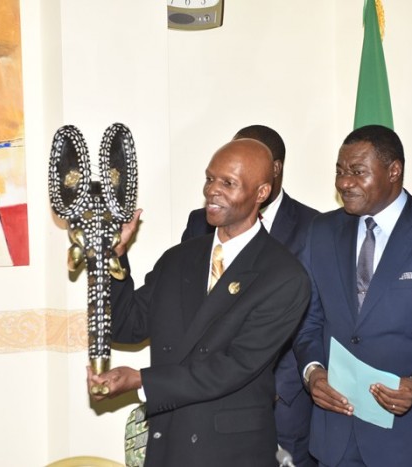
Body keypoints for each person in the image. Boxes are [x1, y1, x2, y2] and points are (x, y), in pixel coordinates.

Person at [87, 138, 311, 467]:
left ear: (261, 193)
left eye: (228, 183)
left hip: (229, 450)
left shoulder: (284, 275)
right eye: (209, 179)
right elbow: (127, 326)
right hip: (168, 439)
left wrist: (141, 380)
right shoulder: (179, 258)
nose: (211, 191)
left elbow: (233, 368)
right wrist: (114, 259)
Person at [294, 124, 412, 466]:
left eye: (357, 172)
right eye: (339, 171)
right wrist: (312, 372)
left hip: (410, 441)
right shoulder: (320, 232)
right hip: (336, 438)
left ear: (394, 171)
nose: (343, 182)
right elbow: (307, 320)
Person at [181, 124, 319, 466]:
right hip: (209, 405)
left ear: (273, 170)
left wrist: (282, 387)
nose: (217, 189)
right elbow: (189, 310)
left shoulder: (315, 226)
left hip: (283, 404)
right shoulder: (200, 223)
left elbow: (314, 317)